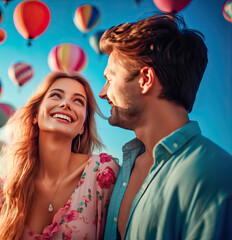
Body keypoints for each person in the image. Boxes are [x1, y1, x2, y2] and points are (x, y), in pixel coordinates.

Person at [98, 13, 232, 240]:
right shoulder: (121, 171)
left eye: (110, 79)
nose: (102, 93)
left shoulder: (217, 178)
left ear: (145, 80)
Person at [0, 71, 120, 239]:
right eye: (56, 96)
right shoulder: (6, 189)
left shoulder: (103, 174)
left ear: (83, 126)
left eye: (78, 101)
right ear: (35, 115)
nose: (66, 104)